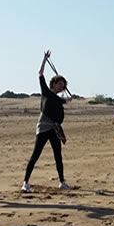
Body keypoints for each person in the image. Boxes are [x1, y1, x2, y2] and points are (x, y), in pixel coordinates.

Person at [22, 50, 71, 192]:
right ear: (53, 84)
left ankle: (62, 182)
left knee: (58, 156)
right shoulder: (46, 92)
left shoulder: (60, 99)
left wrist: (68, 99)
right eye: (59, 84)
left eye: (63, 85)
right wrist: (44, 59)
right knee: (35, 155)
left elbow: (64, 102)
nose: (61, 87)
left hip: (54, 129)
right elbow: (40, 74)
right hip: (43, 127)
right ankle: (25, 182)